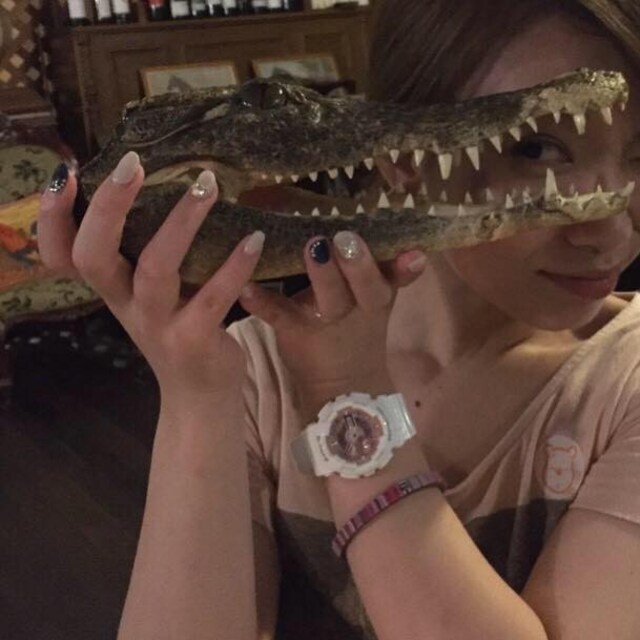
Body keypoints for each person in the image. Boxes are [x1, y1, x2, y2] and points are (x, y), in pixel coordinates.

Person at [37, 0, 640, 637]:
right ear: (402, 159)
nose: (612, 230)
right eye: (537, 148)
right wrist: (196, 395)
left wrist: (350, 402)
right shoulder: (252, 367)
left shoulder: (623, 382)